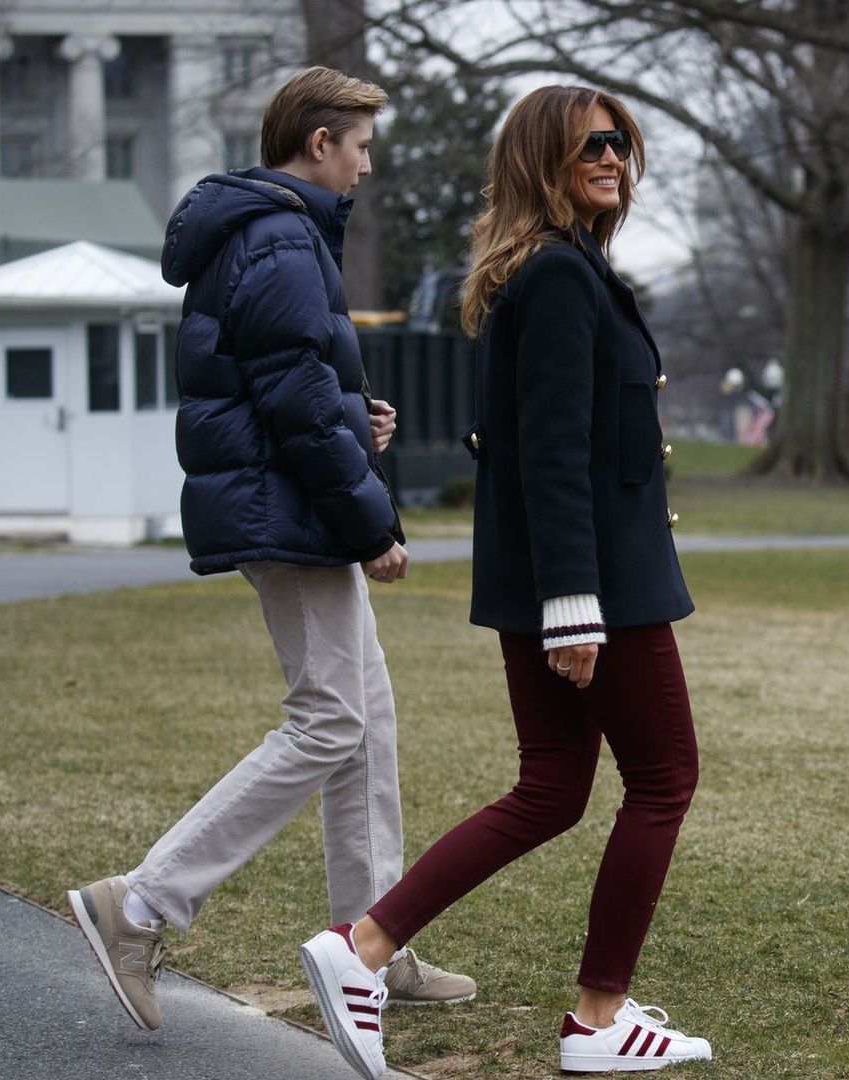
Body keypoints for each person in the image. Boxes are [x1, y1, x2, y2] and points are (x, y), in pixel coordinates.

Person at [298, 86, 710, 1079]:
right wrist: (576, 606)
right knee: (662, 781)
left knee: (552, 790)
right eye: (588, 148)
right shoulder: (561, 279)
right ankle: (597, 1019)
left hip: (562, 582)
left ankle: (359, 950)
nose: (612, 158)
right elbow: (553, 455)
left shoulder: (554, 272)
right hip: (592, 587)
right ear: (542, 166)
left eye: (619, 142)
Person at [66, 66, 474, 1034]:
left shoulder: (266, 235)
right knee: (330, 720)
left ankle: (374, 943)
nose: (368, 167)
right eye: (362, 146)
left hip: (284, 500)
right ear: (319, 143)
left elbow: (282, 384)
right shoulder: (282, 240)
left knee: (363, 716)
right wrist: (372, 524)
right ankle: (141, 905)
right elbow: (288, 401)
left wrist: (350, 415)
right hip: (289, 516)